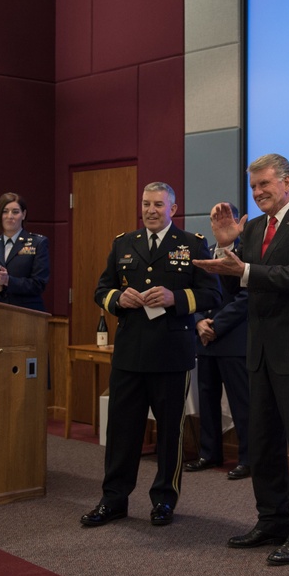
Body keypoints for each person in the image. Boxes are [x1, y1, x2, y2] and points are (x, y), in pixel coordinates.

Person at [193, 154, 289, 566]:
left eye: (265, 185)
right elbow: (239, 278)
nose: (257, 193)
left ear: (287, 182)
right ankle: (271, 522)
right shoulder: (252, 228)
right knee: (264, 443)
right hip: (259, 351)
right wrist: (225, 245)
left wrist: (242, 268)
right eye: (253, 187)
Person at [80, 182, 221, 529]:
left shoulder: (192, 244)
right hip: (129, 352)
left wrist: (176, 298)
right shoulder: (123, 243)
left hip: (171, 354)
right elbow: (101, 288)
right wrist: (116, 298)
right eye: (146, 204)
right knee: (121, 432)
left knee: (170, 433)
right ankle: (113, 500)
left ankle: (164, 500)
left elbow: (211, 294)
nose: (151, 210)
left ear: (173, 208)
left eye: (158, 204)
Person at [186, 202, 252, 481]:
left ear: (237, 223)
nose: (216, 225)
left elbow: (247, 297)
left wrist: (218, 325)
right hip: (205, 338)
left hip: (233, 338)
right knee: (207, 398)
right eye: (213, 221)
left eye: (223, 220)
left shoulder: (245, 253)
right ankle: (209, 453)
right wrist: (199, 320)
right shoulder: (203, 252)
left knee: (242, 402)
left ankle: (249, 459)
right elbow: (195, 292)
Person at [0, 192, 50, 311]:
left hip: (27, 313)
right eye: (5, 211)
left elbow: (38, 284)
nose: (10, 216)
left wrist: (9, 281)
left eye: (15, 212)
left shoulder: (38, 243)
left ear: (23, 214)